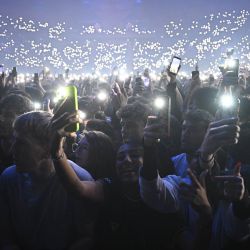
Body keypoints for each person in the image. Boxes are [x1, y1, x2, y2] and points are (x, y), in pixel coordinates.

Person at [139, 110, 249, 250]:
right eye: (184, 128)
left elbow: (239, 232)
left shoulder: (229, 170)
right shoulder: (174, 167)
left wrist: (242, 201)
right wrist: (148, 148)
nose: (185, 133)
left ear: (208, 134)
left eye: (193, 130)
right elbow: (154, 192)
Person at [0, 111, 96, 250]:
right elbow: (5, 235)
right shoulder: (8, 178)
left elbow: (88, 237)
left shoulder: (80, 180)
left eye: (21, 143)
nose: (12, 149)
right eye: (14, 140)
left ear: (47, 148)